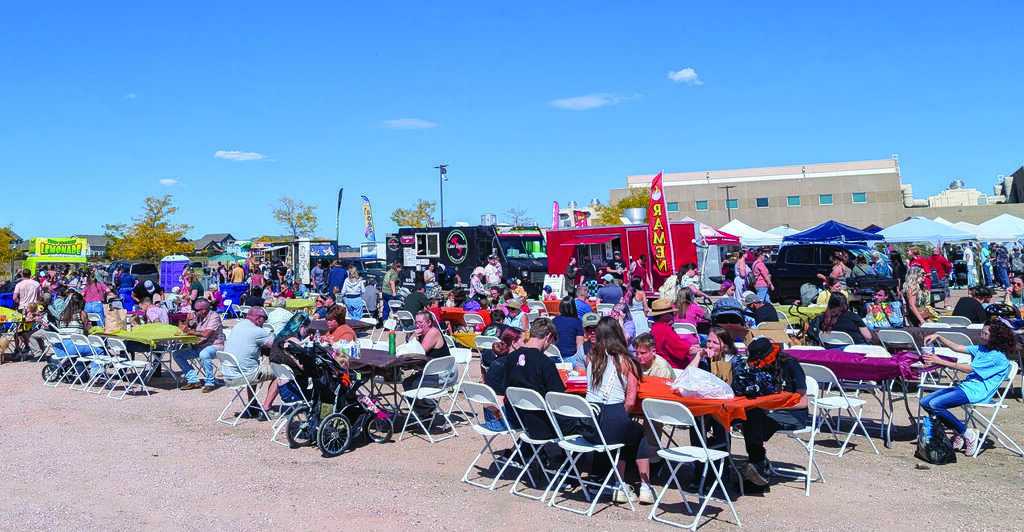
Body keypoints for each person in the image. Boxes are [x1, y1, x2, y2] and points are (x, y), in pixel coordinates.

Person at [585, 317, 652, 504]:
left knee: (623, 433)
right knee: (638, 433)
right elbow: (630, 401)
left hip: (589, 425)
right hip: (611, 420)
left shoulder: (591, 358)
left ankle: (617, 483)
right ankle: (642, 486)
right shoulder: (626, 362)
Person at [921, 322, 1014, 455]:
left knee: (935, 404)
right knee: (925, 402)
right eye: (982, 332)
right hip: (966, 387)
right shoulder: (983, 348)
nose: (981, 335)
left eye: (985, 334)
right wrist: (939, 337)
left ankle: (967, 433)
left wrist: (939, 361)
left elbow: (969, 369)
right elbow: (958, 347)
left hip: (977, 392)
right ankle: (960, 432)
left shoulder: (997, 357)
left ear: (995, 337)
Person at [739, 338, 809, 486]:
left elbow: (803, 401)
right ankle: (757, 467)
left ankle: (757, 466)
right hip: (767, 411)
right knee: (749, 416)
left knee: (753, 422)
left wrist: (774, 406)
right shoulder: (760, 366)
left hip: (793, 414)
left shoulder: (790, 364)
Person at [500, 318, 566, 441]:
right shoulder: (545, 363)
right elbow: (558, 398)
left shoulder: (511, 358)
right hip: (544, 425)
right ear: (548, 336)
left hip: (518, 418)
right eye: (551, 342)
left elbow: (505, 390)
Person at [219, 307, 277, 419]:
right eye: (264, 321)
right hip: (243, 376)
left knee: (253, 367)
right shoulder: (257, 331)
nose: (264, 323)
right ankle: (266, 408)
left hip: (229, 375)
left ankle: (252, 404)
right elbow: (276, 346)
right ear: (259, 319)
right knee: (282, 372)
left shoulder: (238, 326)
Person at [401, 311, 455, 419]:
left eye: (421, 322)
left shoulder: (433, 332)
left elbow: (419, 352)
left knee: (409, 383)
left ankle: (426, 408)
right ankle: (425, 409)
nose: (417, 325)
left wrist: (414, 338)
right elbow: (408, 347)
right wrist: (414, 337)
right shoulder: (421, 334)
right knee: (408, 382)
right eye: (416, 322)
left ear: (429, 322)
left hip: (444, 375)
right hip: (432, 372)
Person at [172, 298, 226, 393]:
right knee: (177, 354)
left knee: (204, 354)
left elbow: (206, 334)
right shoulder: (198, 316)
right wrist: (187, 321)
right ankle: (193, 380)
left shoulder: (214, 316)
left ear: (204, 310)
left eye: (196, 310)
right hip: (200, 345)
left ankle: (210, 382)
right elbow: (185, 328)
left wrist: (190, 331)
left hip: (215, 346)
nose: (194, 312)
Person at [648, 298, 696, 368]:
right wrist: (702, 351)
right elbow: (687, 350)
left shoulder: (654, 328)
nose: (673, 315)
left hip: (660, 365)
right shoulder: (665, 330)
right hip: (674, 368)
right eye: (671, 313)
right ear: (664, 316)